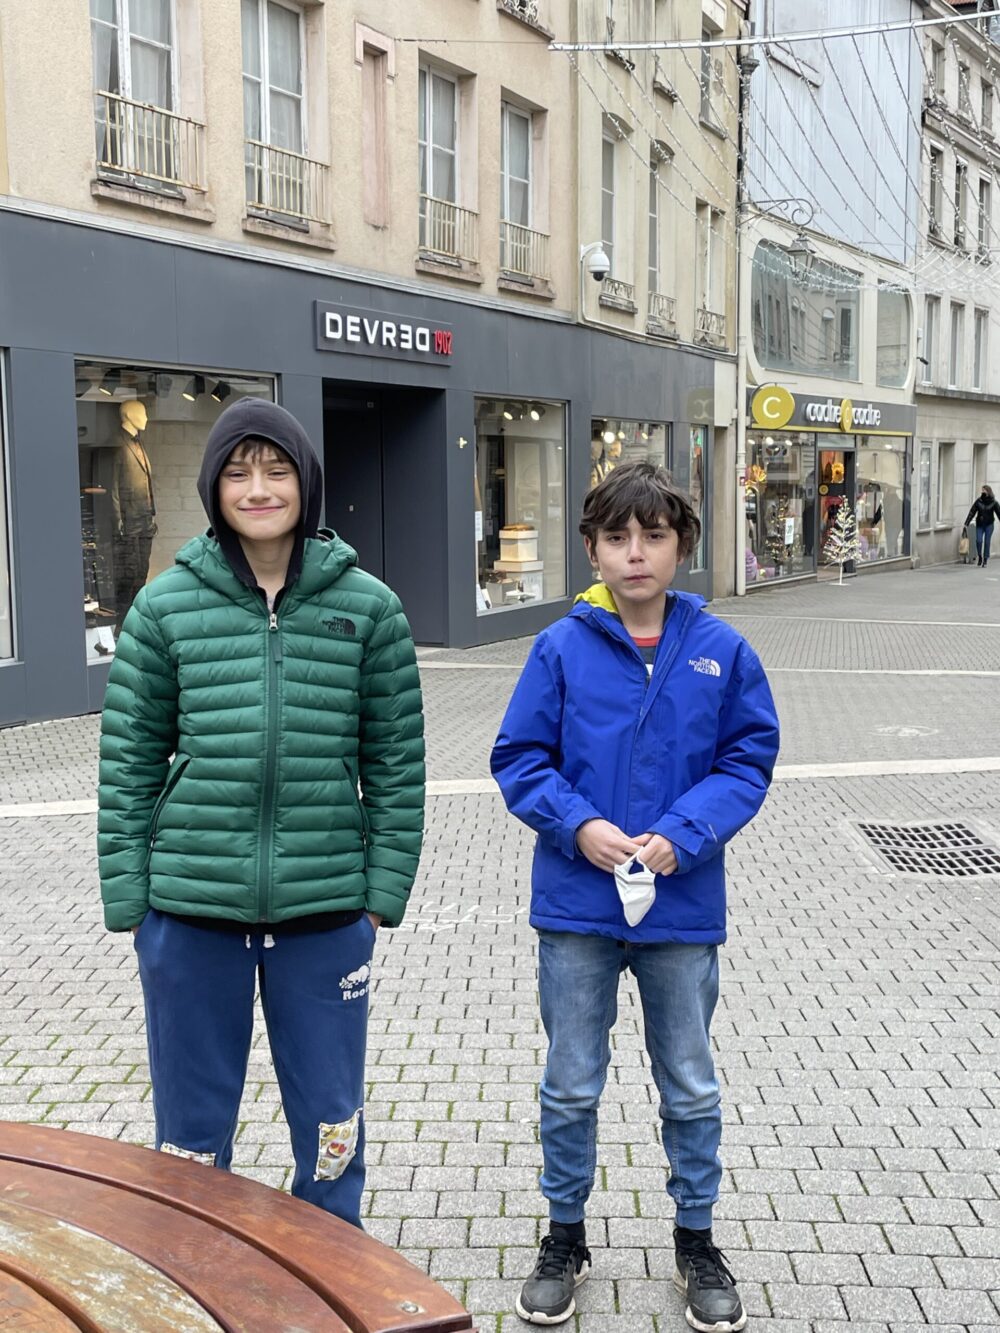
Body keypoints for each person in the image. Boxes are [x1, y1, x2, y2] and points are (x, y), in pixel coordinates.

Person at [98, 397, 425, 1227]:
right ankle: (195, 1280)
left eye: (275, 469)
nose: (258, 487)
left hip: (324, 916)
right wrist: (131, 903)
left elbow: (396, 762)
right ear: (214, 488)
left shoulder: (371, 610)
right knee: (191, 1140)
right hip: (190, 915)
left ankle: (333, 1289)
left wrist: (381, 892)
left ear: (305, 484)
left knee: (331, 1130)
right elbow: (129, 762)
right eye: (238, 471)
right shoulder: (166, 607)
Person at [491, 461, 779, 1332]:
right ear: (592, 547)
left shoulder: (721, 649)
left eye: (653, 535)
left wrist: (684, 835)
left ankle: (696, 1238)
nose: (636, 552)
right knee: (571, 1083)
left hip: (680, 910)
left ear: (681, 544)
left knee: (688, 1083)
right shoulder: (561, 646)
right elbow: (519, 756)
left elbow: (747, 759)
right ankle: (565, 1235)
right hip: (578, 906)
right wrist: (577, 825)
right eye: (617, 536)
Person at [964, 484, 1000, 566]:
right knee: (979, 541)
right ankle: (979, 556)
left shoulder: (994, 502)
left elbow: (999, 513)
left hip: (989, 525)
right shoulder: (978, 501)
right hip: (980, 525)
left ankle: (985, 559)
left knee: (987, 542)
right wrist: (966, 523)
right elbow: (972, 512)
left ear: (988, 492)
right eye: (982, 490)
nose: (982, 491)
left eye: (984, 490)